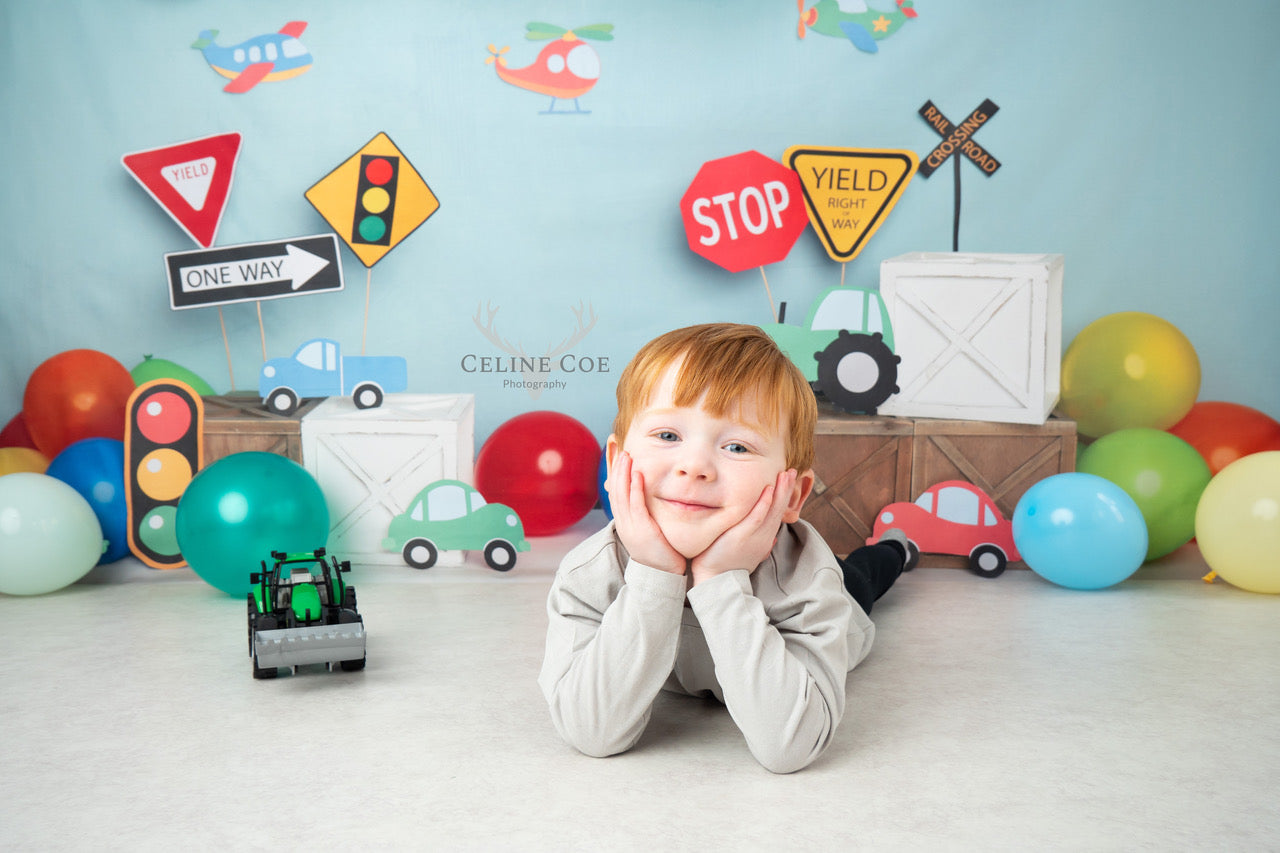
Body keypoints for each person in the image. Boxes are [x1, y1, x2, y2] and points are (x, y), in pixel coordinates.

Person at [537, 323, 906, 773]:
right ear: (615, 464)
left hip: (841, 590)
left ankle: (897, 549)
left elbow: (790, 747)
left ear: (793, 495)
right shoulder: (589, 572)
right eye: (668, 436)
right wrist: (655, 572)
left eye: (736, 445)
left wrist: (720, 581)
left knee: (865, 574)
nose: (694, 467)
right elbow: (592, 732)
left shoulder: (809, 580)